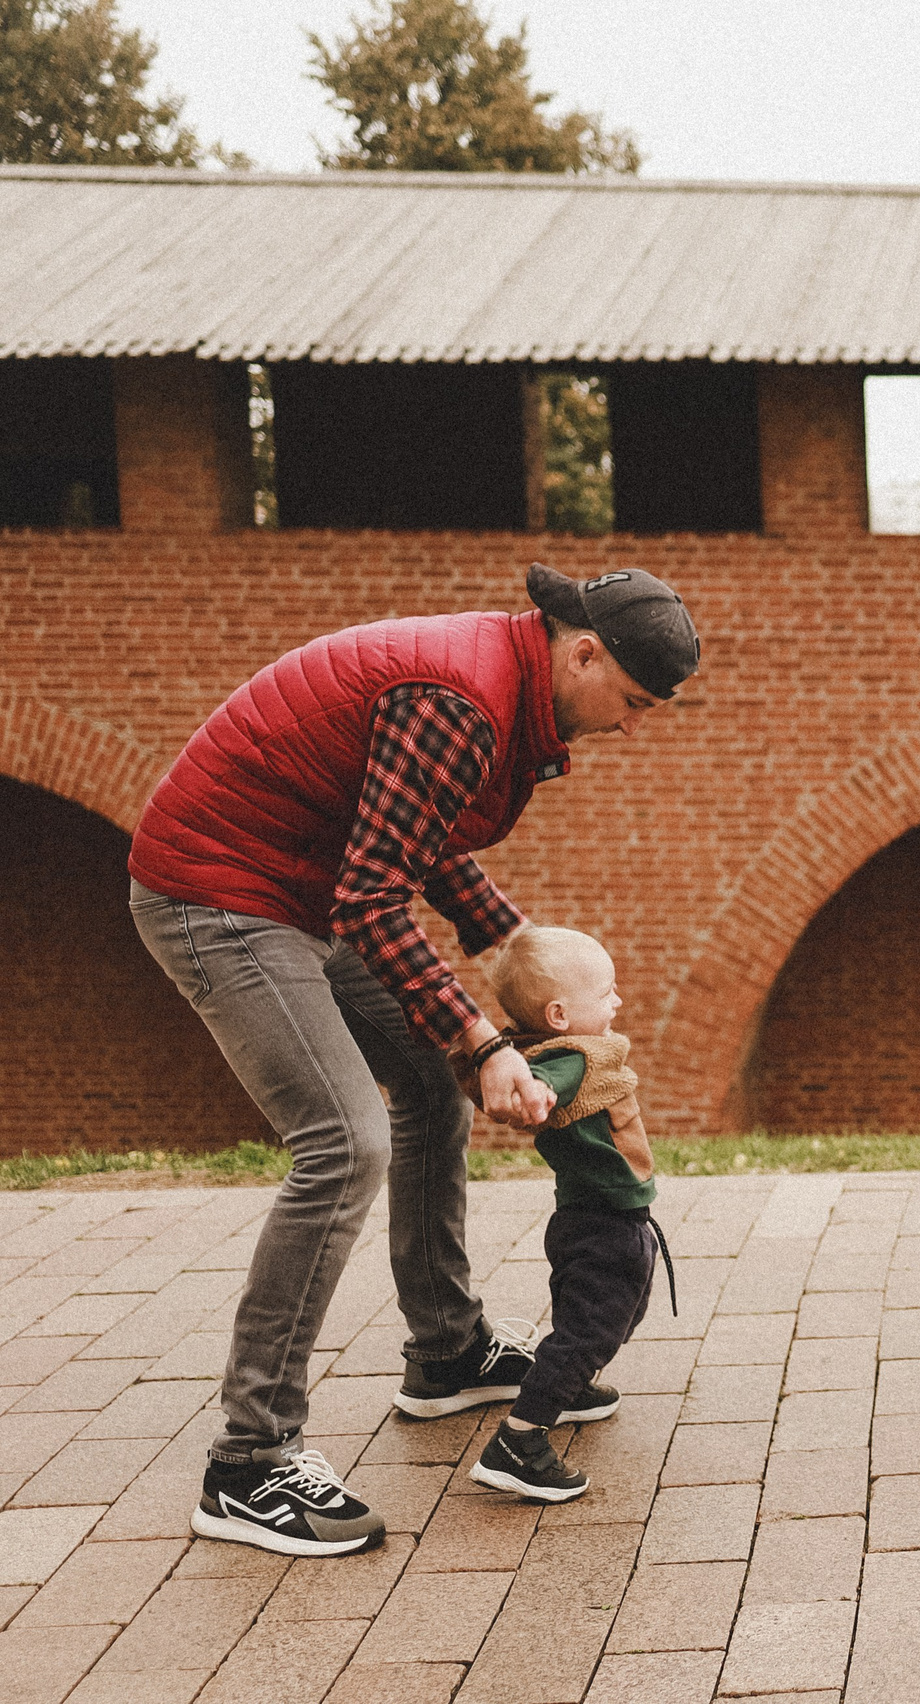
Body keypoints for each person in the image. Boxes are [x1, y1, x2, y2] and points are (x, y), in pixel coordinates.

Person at [127, 565, 699, 1556]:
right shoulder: (462, 699)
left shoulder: (503, 685)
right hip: (221, 894)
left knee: (432, 1085)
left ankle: (448, 1351)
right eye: (633, 704)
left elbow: (412, 839)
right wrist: (481, 1040)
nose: (631, 726)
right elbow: (374, 901)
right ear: (586, 652)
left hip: (306, 883)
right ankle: (248, 1465)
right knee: (343, 1145)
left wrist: (520, 955)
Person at [467, 926, 667, 1503]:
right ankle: (519, 1442)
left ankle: (567, 1385)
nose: (618, 1001)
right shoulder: (570, 1060)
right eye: (606, 993)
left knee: (613, 1318)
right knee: (589, 1330)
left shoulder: (566, 1050)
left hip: (596, 1223)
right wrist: (538, 1095)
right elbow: (544, 1083)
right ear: (559, 1014)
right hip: (601, 1227)